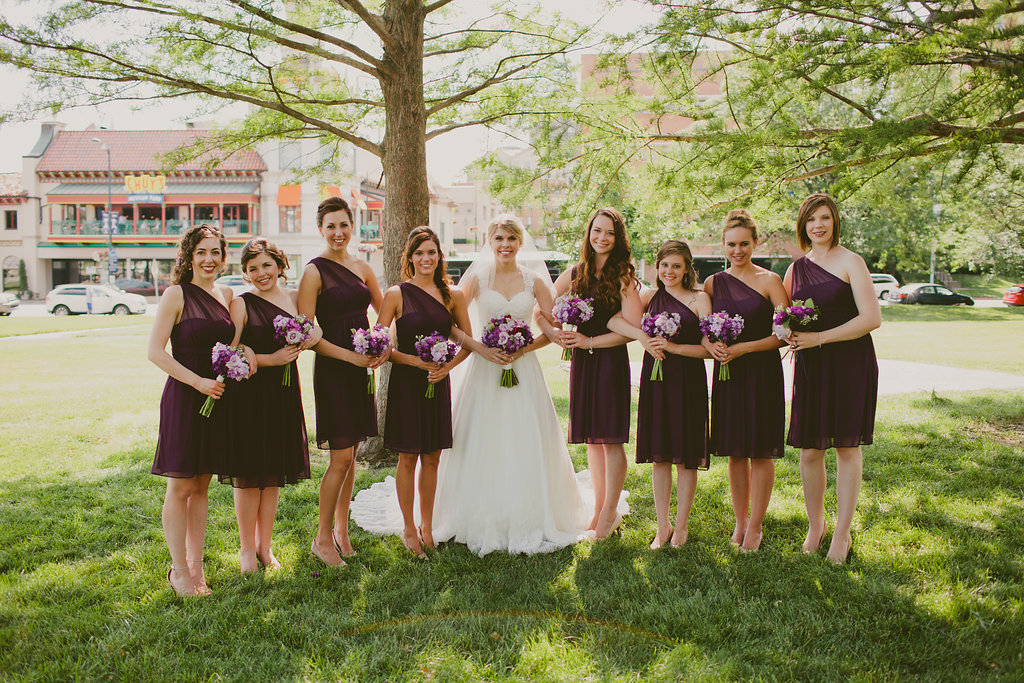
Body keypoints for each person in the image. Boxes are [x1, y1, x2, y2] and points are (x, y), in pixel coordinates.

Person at [352, 215, 626, 556]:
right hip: (484, 371)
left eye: (511, 239)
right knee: (478, 439)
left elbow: (551, 323)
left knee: (525, 440)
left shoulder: (535, 281)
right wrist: (480, 348)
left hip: (524, 371)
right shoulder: (476, 279)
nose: (505, 245)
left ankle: (530, 511)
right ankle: (449, 516)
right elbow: (452, 322)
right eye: (499, 239)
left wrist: (526, 346)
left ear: (520, 243)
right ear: (490, 241)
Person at [148, 224, 249, 596]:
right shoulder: (175, 294)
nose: (209, 259)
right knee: (180, 486)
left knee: (202, 485)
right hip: (186, 395)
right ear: (189, 256)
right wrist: (197, 382)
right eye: (201, 252)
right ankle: (177, 571)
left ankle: (196, 567)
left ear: (224, 257)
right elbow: (155, 352)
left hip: (218, 397)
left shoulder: (227, 294)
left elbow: (235, 343)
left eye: (215, 252)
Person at [784, 193, 880, 564]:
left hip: (849, 362)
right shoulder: (796, 269)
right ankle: (816, 525)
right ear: (803, 225)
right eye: (811, 220)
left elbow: (871, 318)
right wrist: (789, 333)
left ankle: (843, 531)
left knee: (845, 447)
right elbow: (787, 316)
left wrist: (820, 337)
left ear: (835, 221)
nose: (818, 226)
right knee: (810, 450)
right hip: (811, 366)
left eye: (824, 218)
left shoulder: (851, 261)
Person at [298, 197, 387, 567]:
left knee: (352, 456)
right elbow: (306, 333)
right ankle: (321, 538)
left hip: (361, 369)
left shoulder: (363, 266)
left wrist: (380, 347)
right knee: (339, 458)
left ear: (354, 226)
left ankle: (341, 531)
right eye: (331, 226)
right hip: (335, 369)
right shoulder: (314, 272)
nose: (338, 232)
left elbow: (384, 315)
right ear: (321, 229)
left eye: (344, 225)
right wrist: (351, 356)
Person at [223, 238, 319, 573]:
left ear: (280, 264)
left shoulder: (294, 298)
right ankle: (246, 550)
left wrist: (307, 337)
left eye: (266, 265)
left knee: (273, 475)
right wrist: (267, 359)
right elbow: (228, 355)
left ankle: (266, 547)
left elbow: (315, 331)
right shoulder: (241, 303)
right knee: (250, 476)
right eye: (252, 269)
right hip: (250, 396)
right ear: (246, 275)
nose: (261, 273)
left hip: (283, 394)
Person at [376, 227, 472, 558]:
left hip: (437, 382)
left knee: (432, 457)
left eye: (431, 252)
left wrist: (447, 367)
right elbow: (382, 346)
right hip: (407, 383)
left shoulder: (453, 295)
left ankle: (427, 526)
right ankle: (407, 527)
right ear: (410, 258)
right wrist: (416, 362)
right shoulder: (396, 294)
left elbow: (466, 342)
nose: (426, 258)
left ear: (439, 256)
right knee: (408, 457)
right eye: (419, 253)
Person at [608, 240, 711, 549]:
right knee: (660, 457)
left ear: (687, 268)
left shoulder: (699, 299)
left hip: (688, 381)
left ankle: (681, 527)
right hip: (656, 383)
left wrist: (673, 347)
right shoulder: (649, 297)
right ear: (657, 266)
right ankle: (662, 524)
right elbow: (614, 319)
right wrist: (643, 338)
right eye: (664, 265)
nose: (669, 271)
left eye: (676, 266)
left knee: (686, 458)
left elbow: (709, 349)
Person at [548, 207, 641, 539]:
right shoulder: (576, 273)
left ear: (618, 239)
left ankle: (609, 512)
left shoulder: (624, 278)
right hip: (583, 364)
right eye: (597, 231)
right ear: (588, 234)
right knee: (592, 439)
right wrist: (552, 330)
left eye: (610, 233)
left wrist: (589, 340)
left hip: (609, 361)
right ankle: (601, 508)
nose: (602, 238)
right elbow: (542, 306)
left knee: (611, 440)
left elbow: (631, 330)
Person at [702, 209, 789, 552]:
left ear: (755, 242)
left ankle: (756, 526)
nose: (737, 250)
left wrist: (744, 348)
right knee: (736, 453)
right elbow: (706, 329)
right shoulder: (713, 283)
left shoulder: (771, 281)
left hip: (763, 372)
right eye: (731, 244)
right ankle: (739, 521)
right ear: (723, 245)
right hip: (729, 376)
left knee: (760, 453)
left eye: (744, 244)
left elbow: (783, 333)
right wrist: (713, 345)